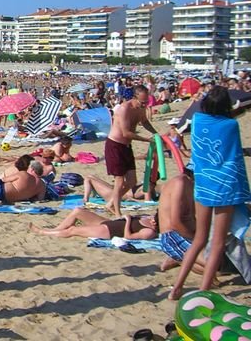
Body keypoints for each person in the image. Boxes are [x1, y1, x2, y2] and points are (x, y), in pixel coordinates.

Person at [170, 86, 251, 300]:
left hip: (203, 184)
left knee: (199, 239)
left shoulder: (197, 120)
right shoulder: (231, 125)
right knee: (217, 242)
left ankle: (177, 286)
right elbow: (234, 158)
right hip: (224, 186)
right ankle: (204, 291)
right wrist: (244, 191)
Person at [104, 85, 157, 216]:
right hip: (115, 145)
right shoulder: (124, 109)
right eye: (142, 102)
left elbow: (144, 122)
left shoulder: (140, 109)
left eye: (146, 102)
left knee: (132, 181)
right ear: (134, 98)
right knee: (119, 180)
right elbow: (126, 133)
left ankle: (111, 202)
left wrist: (155, 134)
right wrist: (147, 140)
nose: (144, 105)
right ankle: (117, 211)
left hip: (126, 146)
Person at [158, 169, 207, 274]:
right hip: (173, 236)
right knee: (213, 264)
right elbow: (175, 223)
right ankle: (181, 260)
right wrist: (196, 240)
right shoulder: (180, 183)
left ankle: (183, 259)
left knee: (221, 263)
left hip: (188, 233)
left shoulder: (191, 184)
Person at [30, 207, 158, 240]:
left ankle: (44, 232)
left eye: (155, 220)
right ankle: (56, 229)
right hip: (109, 223)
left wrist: (129, 220)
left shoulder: (149, 231)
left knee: (73, 230)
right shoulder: (148, 218)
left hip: (110, 232)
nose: (152, 219)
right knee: (78, 211)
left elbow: (128, 237)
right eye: (154, 217)